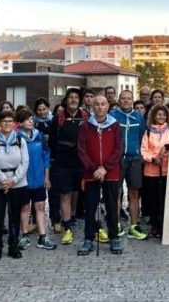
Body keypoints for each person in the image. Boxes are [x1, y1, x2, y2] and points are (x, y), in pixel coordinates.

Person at [77, 96, 123, 255]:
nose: (99, 107)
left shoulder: (115, 125)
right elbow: (81, 151)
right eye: (96, 104)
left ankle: (114, 237)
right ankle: (88, 238)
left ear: (108, 106)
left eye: (103, 104)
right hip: (91, 173)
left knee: (111, 206)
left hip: (111, 172)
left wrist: (105, 168)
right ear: (92, 106)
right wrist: (94, 168)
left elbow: (119, 150)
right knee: (90, 207)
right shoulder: (85, 126)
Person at [0, 110, 29, 262]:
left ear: (14, 123)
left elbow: (24, 162)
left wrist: (13, 180)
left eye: (10, 121)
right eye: (4, 121)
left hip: (17, 184)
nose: (7, 124)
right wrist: (3, 180)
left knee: (14, 216)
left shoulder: (20, 140)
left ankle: (13, 245)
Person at [48, 88, 89, 244]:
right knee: (65, 195)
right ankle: (67, 228)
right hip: (63, 163)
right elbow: (52, 141)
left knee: (88, 194)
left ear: (79, 100)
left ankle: (95, 227)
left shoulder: (86, 117)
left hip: (81, 162)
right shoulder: (58, 118)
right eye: (70, 97)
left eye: (76, 97)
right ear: (66, 100)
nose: (73, 100)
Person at [15, 108, 56, 250]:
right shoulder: (16, 138)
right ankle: (25, 236)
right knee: (25, 208)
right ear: (19, 123)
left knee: (40, 207)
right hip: (23, 180)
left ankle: (42, 237)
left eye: (32, 119)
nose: (31, 121)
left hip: (39, 178)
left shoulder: (39, 136)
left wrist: (47, 177)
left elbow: (46, 156)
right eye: (27, 119)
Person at [111, 90, 147, 240]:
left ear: (132, 100)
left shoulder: (138, 116)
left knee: (134, 193)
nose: (126, 101)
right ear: (119, 100)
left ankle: (133, 225)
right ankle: (116, 224)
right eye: (123, 98)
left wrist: (139, 152)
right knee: (116, 193)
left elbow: (142, 136)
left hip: (134, 159)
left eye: (128, 98)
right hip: (117, 160)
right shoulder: (113, 116)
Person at [141, 104, 169, 238]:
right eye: (159, 114)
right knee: (153, 200)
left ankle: (166, 224)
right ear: (153, 115)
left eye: (164, 115)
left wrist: (167, 146)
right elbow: (143, 150)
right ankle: (155, 225)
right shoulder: (148, 131)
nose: (161, 117)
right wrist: (152, 159)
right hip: (152, 171)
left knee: (165, 198)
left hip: (167, 170)